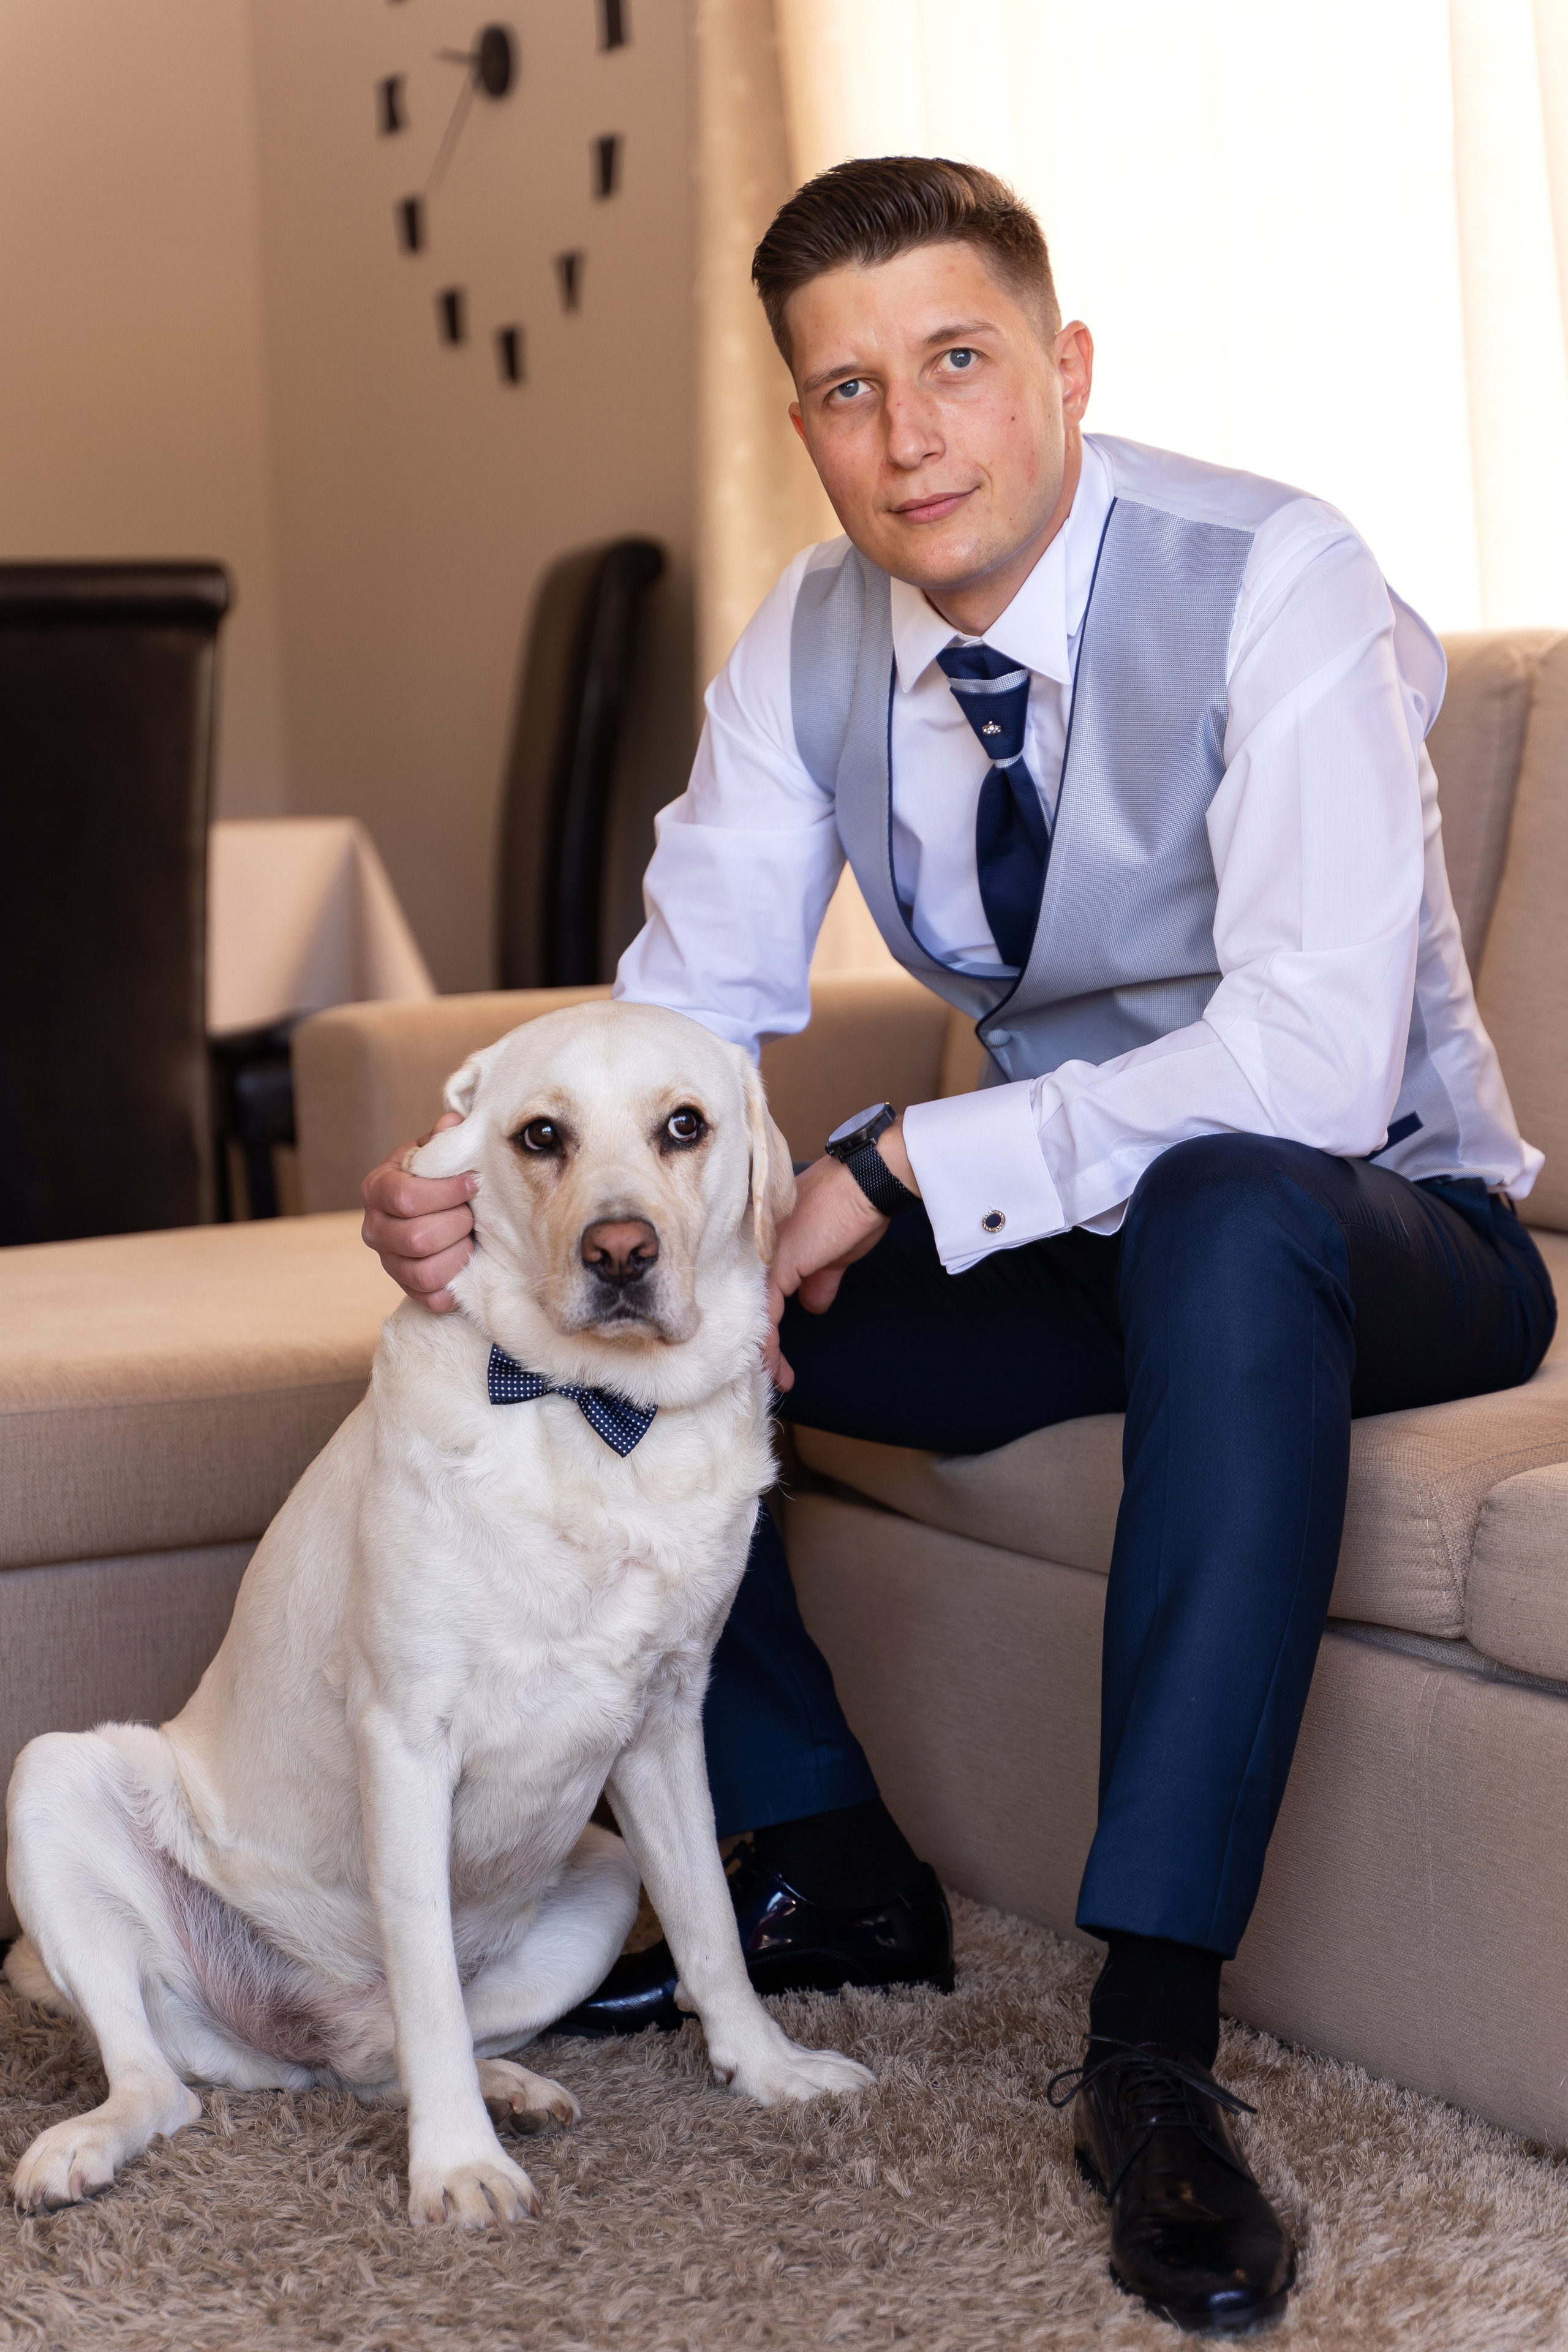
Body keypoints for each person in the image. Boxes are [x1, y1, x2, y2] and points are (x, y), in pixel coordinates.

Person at [360, 158, 1556, 2332]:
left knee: (1220, 1205)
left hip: (1389, 1224)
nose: (909, 436)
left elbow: (1301, 1058)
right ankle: (819, 1853)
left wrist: (907, 1160)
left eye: (959, 362)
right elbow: (688, 1011)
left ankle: (1154, 2047)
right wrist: (500, 1192)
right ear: (802, 429)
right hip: (1080, 1233)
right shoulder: (810, 637)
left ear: (1064, 367)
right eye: (845, 390)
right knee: (648, 1320)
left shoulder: (1275, 580)